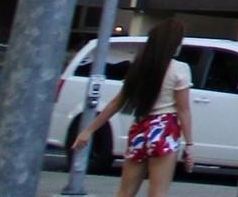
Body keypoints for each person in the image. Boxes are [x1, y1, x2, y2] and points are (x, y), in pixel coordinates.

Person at [71, 19, 193, 197]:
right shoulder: (180, 69)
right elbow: (184, 109)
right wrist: (189, 144)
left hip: (140, 127)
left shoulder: (139, 67)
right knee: (158, 192)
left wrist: (88, 131)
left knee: (125, 192)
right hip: (164, 128)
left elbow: (117, 102)